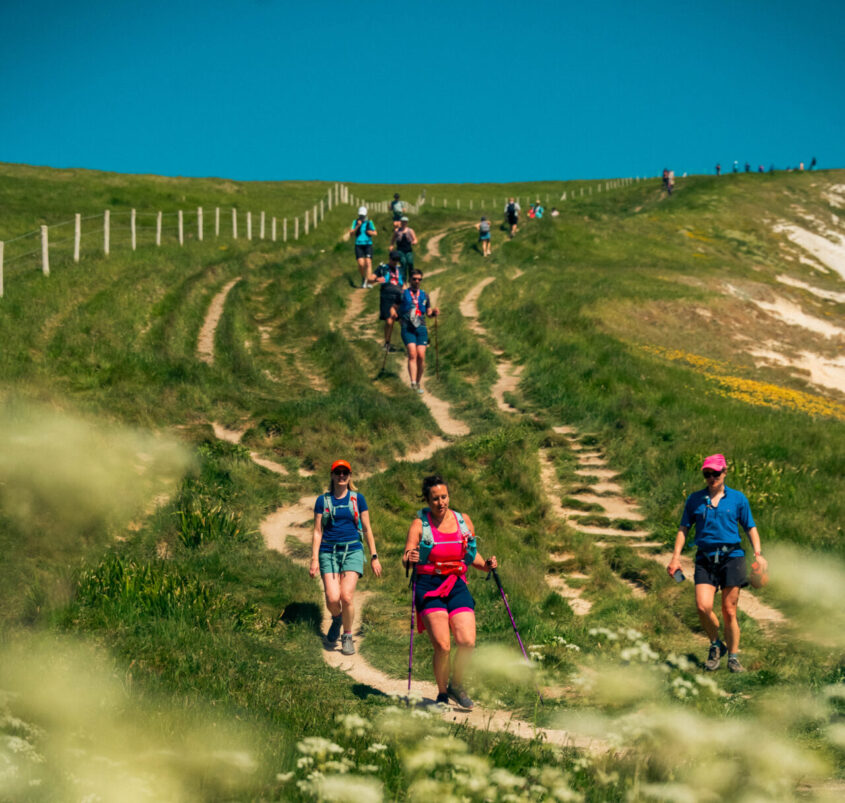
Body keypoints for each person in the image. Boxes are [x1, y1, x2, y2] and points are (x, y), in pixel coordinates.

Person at [667, 454, 768, 674]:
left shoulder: (738, 499)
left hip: (732, 557)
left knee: (729, 611)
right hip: (705, 558)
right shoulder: (694, 499)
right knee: (703, 606)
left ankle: (733, 657)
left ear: (725, 472)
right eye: (707, 474)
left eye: (715, 473)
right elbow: (684, 528)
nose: (711, 477)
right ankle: (716, 644)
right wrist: (676, 556)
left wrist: (758, 554)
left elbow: (750, 527)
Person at [403, 474, 498, 708]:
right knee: (443, 646)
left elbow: (470, 554)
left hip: (456, 584)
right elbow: (406, 557)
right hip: (428, 586)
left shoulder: (462, 520)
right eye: (435, 498)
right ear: (427, 500)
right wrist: (410, 557)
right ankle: (443, 692)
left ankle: (457, 684)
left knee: (467, 642)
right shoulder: (419, 525)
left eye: (444, 496)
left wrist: (485, 564)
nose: (441, 502)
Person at [310, 460, 382, 656]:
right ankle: (337, 618)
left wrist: (374, 556)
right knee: (333, 598)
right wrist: (314, 559)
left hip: (353, 550)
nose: (342, 476)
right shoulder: (322, 501)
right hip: (328, 551)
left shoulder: (358, 499)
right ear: (332, 475)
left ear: (349, 476)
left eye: (345, 473)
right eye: (338, 472)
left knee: (346, 596)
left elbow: (367, 529)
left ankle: (347, 636)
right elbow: (317, 531)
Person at [399, 269, 439, 394]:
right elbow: (395, 309)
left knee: (421, 356)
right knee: (412, 354)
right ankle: (413, 383)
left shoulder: (424, 295)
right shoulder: (403, 294)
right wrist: (396, 317)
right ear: (410, 280)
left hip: (421, 328)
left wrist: (434, 313)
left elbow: (428, 313)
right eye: (414, 279)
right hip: (408, 328)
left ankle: (418, 381)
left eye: (419, 279)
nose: (417, 281)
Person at [371, 250, 405, 351]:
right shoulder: (382, 268)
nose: (395, 262)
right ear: (389, 259)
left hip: (399, 296)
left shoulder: (401, 269)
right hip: (386, 296)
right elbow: (370, 279)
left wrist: (406, 293)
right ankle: (387, 343)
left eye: (397, 260)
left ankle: (409, 343)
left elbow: (404, 283)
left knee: (402, 320)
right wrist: (377, 280)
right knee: (389, 321)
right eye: (394, 260)